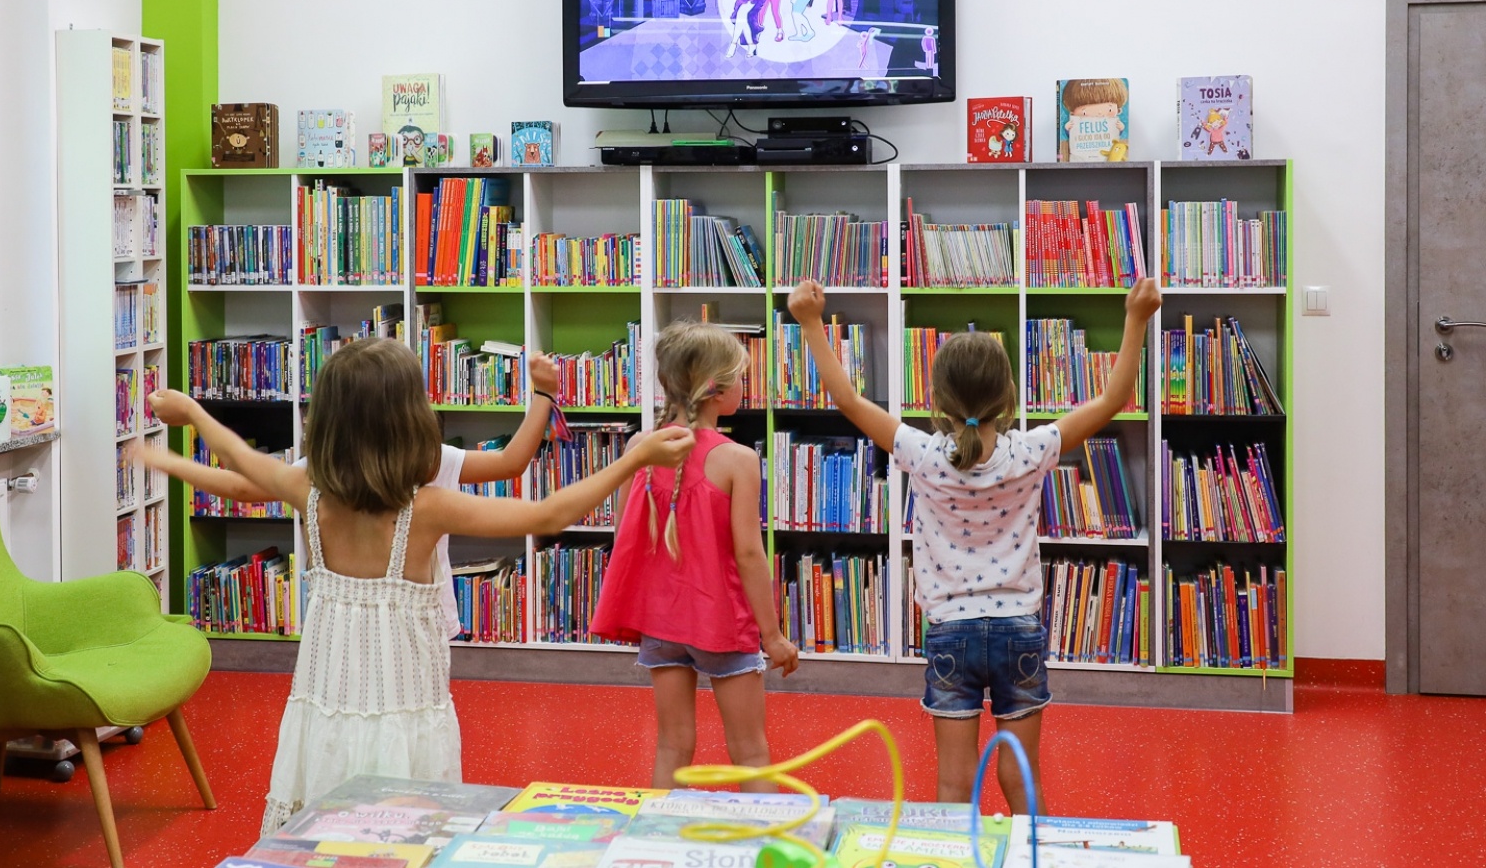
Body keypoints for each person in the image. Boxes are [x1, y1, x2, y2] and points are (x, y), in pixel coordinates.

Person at [145, 339, 694, 835]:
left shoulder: (304, 488)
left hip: (327, 704)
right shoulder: (425, 508)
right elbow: (547, 513)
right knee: (410, 828)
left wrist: (189, 419)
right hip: (405, 707)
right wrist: (634, 459)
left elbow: (242, 464)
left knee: (324, 829)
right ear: (409, 420)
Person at [785, 277, 1161, 813]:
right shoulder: (1033, 451)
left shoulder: (921, 453)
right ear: (1008, 397)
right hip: (1018, 630)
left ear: (936, 399)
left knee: (953, 785)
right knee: (1021, 775)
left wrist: (810, 322)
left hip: (951, 632)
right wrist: (1136, 318)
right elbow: (1112, 399)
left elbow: (846, 398)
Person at [137, 351, 564, 643]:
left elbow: (240, 482)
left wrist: (173, 454)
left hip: (338, 629)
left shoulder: (318, 471)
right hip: (415, 626)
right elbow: (511, 462)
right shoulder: (434, 462)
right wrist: (543, 394)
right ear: (410, 413)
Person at [591, 321, 799, 791]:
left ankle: (659, 850)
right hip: (720, 621)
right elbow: (749, 554)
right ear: (717, 390)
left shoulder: (639, 448)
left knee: (671, 745)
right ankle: (760, 853)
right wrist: (773, 635)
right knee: (749, 749)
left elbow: (628, 532)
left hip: (661, 622)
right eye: (741, 378)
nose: (745, 386)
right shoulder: (738, 459)